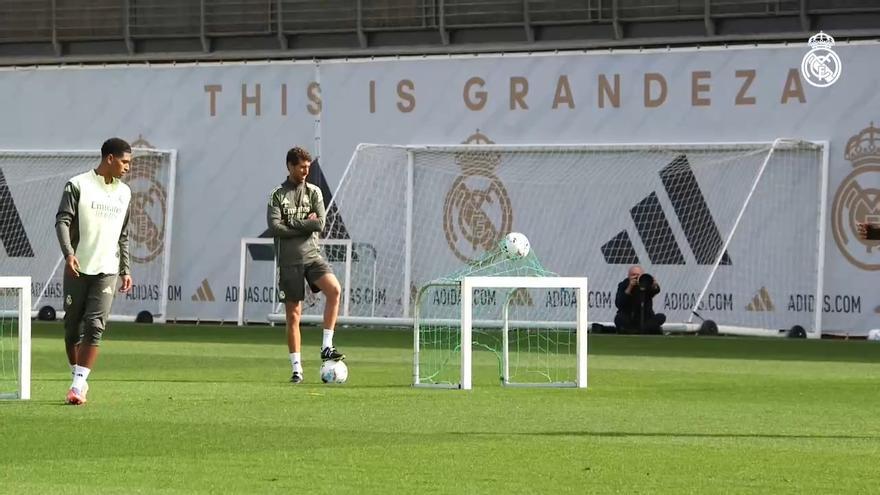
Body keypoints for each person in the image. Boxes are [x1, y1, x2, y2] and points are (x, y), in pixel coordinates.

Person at [55, 137, 133, 405]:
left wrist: (125, 268)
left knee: (95, 326)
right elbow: (62, 220)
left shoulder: (125, 193)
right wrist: (69, 254)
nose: (127, 167)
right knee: (71, 330)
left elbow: (123, 235)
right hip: (77, 267)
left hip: (107, 269)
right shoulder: (77, 185)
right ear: (109, 158)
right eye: (124, 162)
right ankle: (79, 378)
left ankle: (77, 386)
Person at [267, 146, 344, 384]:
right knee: (293, 316)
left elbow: (319, 224)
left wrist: (293, 223)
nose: (305, 171)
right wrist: (304, 223)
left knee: (334, 290)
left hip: (312, 256)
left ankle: (326, 347)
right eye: (301, 167)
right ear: (289, 166)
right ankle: (297, 369)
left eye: (308, 167)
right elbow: (274, 227)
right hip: (289, 261)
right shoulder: (277, 195)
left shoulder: (314, 192)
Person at [614, 265, 666, 334]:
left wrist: (654, 284)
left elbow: (656, 290)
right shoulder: (624, 284)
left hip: (646, 318)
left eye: (638, 275)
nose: (636, 277)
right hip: (629, 317)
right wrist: (630, 287)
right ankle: (644, 330)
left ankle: (638, 331)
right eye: (633, 275)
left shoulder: (646, 283)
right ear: (629, 276)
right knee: (619, 318)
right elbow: (619, 303)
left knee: (661, 317)